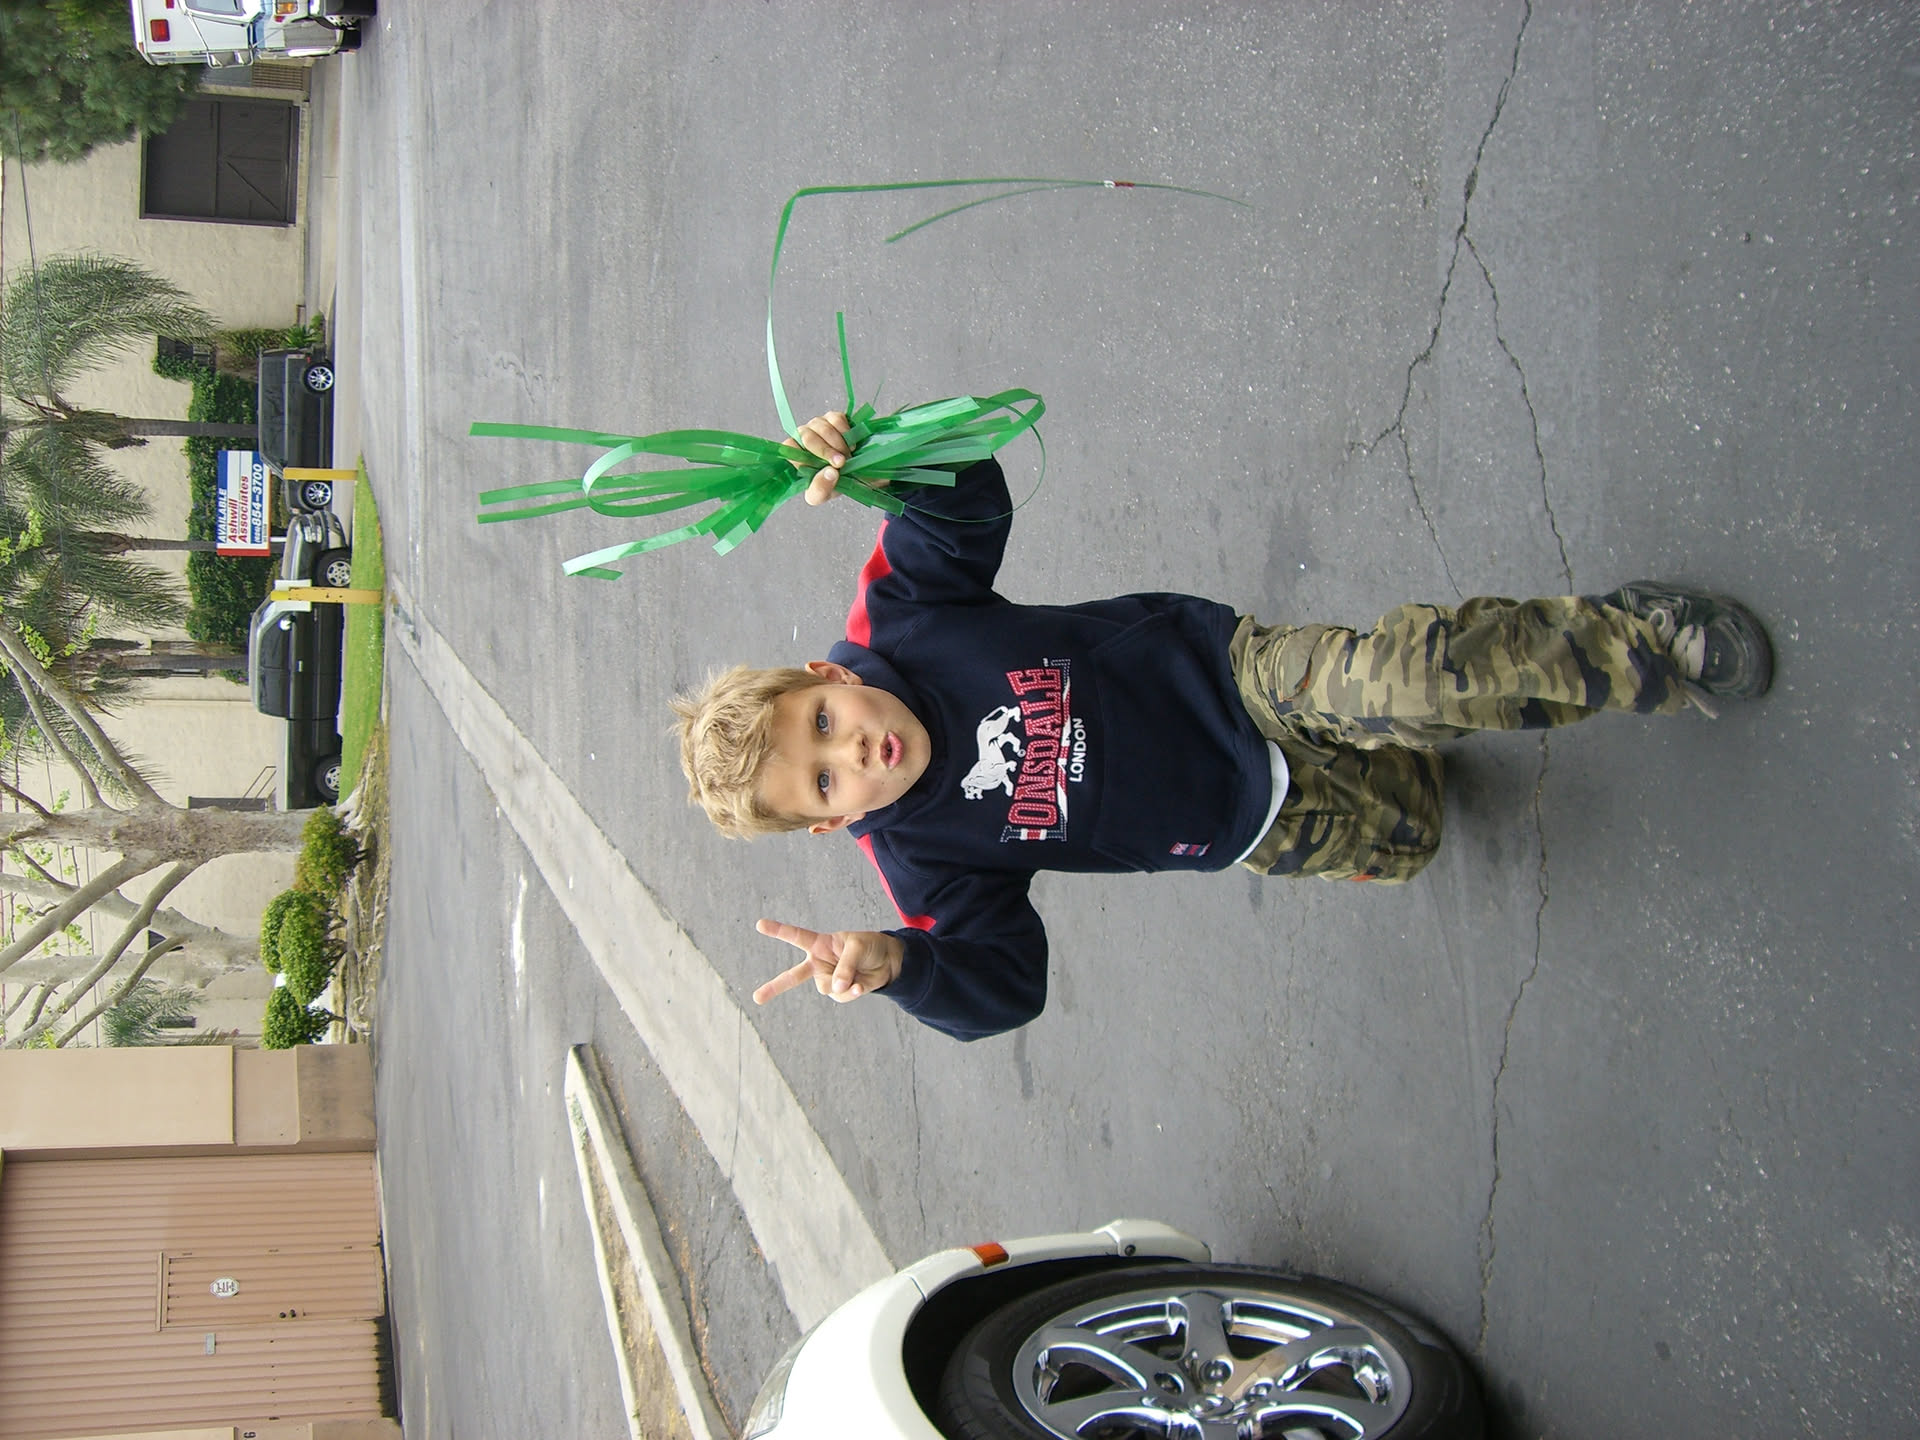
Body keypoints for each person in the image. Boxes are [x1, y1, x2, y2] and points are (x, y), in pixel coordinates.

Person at [672, 411, 1773, 1041]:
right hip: (1251, 822)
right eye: (825, 780)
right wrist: (900, 965)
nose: (852, 750)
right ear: (832, 823)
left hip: (1232, 680)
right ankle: (1408, 754)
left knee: (1405, 681)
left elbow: (968, 497)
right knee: (1418, 824)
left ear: (826, 674)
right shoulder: (918, 861)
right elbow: (1007, 984)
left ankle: (1638, 647)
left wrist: (874, 456)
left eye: (824, 720)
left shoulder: (900, 617)